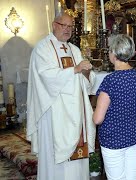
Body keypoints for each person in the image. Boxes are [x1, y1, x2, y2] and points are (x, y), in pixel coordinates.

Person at [27, 12, 96, 180]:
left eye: (70, 26)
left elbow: (86, 82)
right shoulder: (43, 48)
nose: (67, 29)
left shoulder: (74, 49)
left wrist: (86, 73)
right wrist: (75, 69)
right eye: (63, 25)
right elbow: (46, 76)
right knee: (55, 161)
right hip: (54, 111)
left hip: (76, 111)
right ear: (54, 25)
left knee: (77, 163)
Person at [93, 34, 136, 180]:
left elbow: (98, 119)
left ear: (114, 54)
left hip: (113, 140)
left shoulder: (110, 81)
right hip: (134, 137)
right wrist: (127, 111)